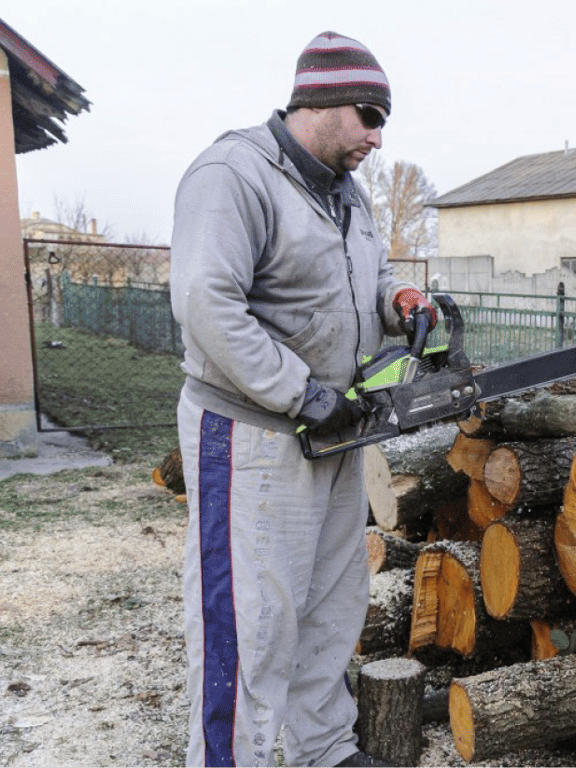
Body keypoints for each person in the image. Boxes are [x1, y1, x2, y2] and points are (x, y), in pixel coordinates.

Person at [169, 30, 433, 768]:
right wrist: (298, 391)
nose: (378, 138)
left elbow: (362, 282)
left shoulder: (346, 191)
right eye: (370, 116)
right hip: (251, 433)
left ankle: (322, 750)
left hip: (333, 428)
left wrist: (402, 299)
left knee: (330, 607)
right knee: (248, 625)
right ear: (321, 102)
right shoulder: (234, 173)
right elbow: (205, 302)